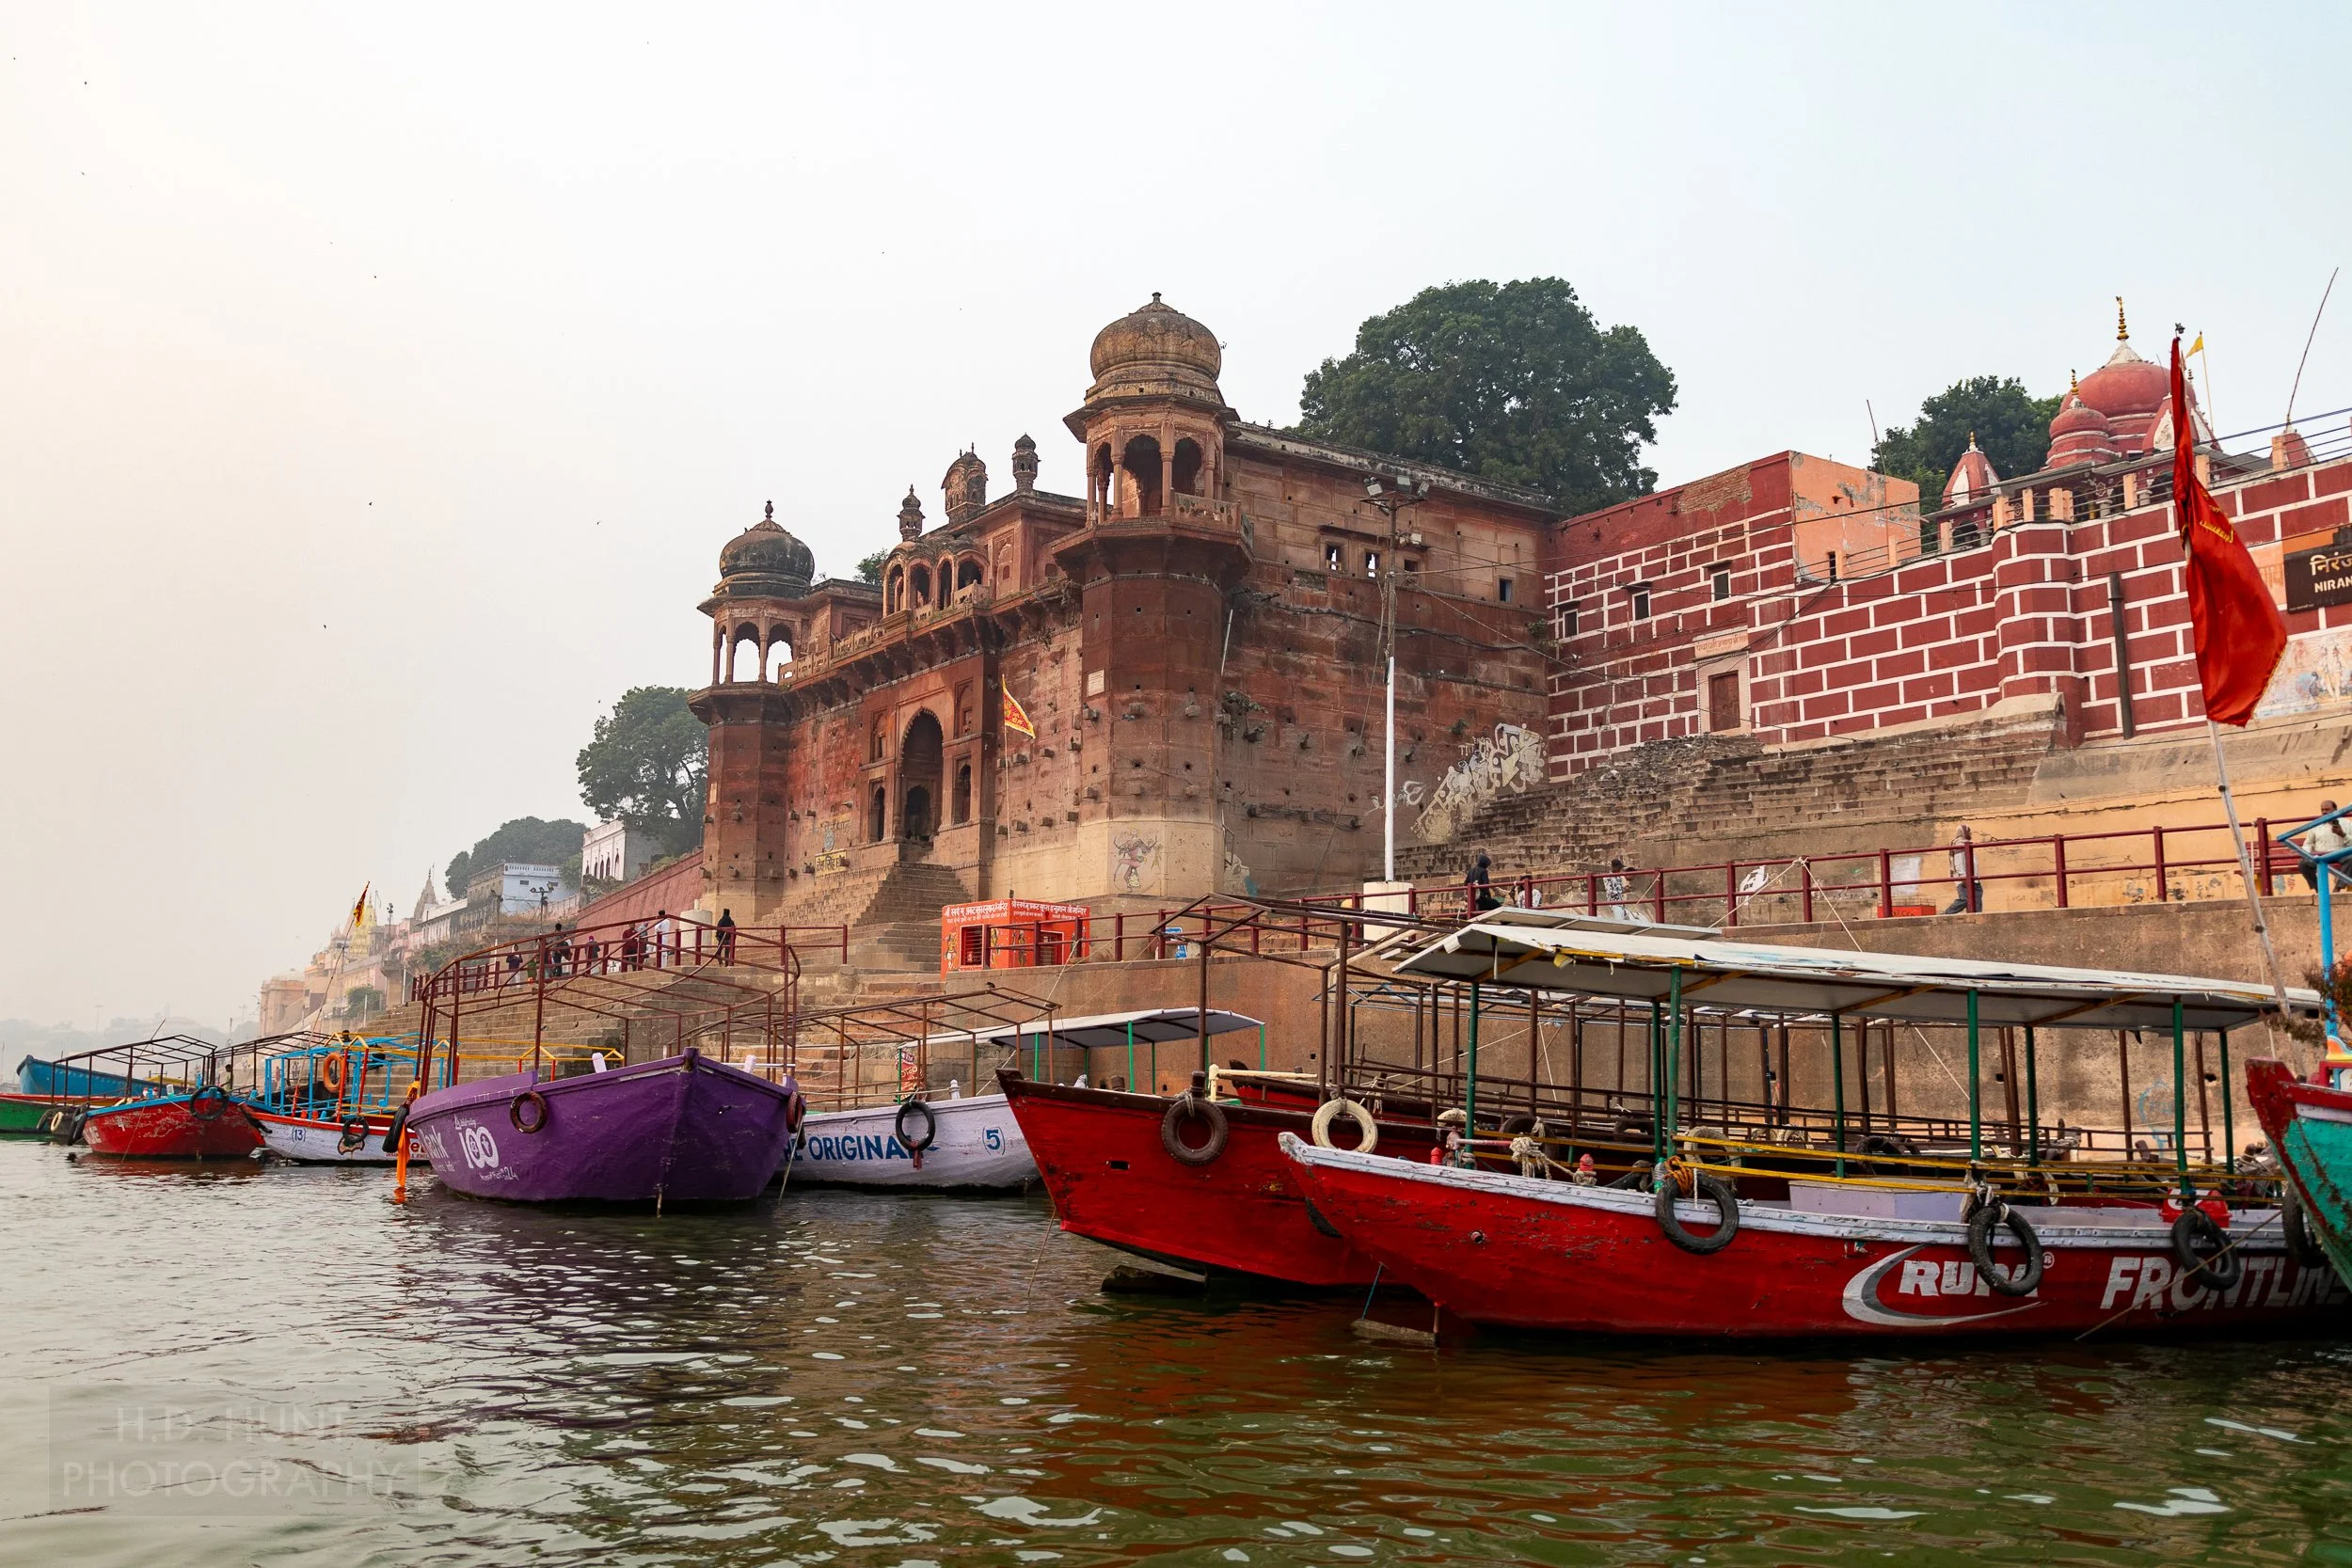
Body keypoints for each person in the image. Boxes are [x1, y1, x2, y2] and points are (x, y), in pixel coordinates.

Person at [2297, 800, 2350, 890]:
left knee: (2351, 859)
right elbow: (2308, 843)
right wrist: (2305, 854)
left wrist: (2343, 834)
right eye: (2322, 810)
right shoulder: (2316, 824)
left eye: (2327, 809)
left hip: (2340, 854)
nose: (2324, 812)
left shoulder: (2347, 823)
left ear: (2335, 810)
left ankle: (2337, 888)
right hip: (2320, 856)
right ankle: (2319, 890)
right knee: (2303, 864)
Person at [1942, 825, 1983, 914]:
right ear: (1964, 832)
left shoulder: (1966, 843)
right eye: (1969, 832)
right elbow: (1959, 862)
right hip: (1965, 878)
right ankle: (1947, 913)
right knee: (1965, 899)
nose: (1970, 834)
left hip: (1973, 878)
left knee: (1977, 897)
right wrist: (1963, 876)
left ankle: (1975, 919)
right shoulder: (1959, 844)